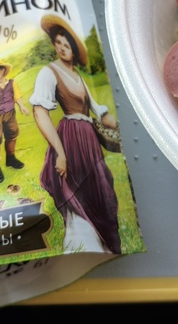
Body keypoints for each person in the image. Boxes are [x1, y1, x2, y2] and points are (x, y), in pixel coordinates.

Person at [30, 15, 122, 254]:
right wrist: (60, 153)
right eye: (58, 43)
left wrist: (119, 127)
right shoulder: (49, 72)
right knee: (76, 189)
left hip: (89, 140)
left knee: (103, 188)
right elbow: (40, 112)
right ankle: (82, 246)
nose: (62, 48)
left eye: (67, 45)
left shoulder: (79, 77)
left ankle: (105, 246)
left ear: (74, 49)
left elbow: (100, 113)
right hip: (70, 139)